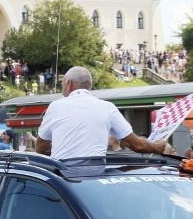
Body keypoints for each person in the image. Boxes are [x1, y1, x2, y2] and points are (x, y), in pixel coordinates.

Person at [35, 66, 169, 160]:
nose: (62, 89)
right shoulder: (108, 107)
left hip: (63, 183)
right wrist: (157, 147)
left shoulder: (56, 107)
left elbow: (40, 147)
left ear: (69, 84)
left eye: (62, 84)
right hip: (96, 180)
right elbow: (137, 145)